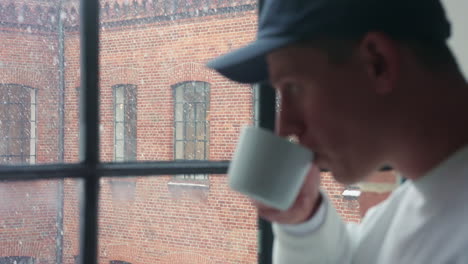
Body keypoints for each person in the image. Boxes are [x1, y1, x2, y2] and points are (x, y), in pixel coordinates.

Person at [207, 0, 468, 263]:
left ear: (377, 63)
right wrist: (303, 222)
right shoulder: (413, 205)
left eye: (295, 87)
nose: (285, 126)